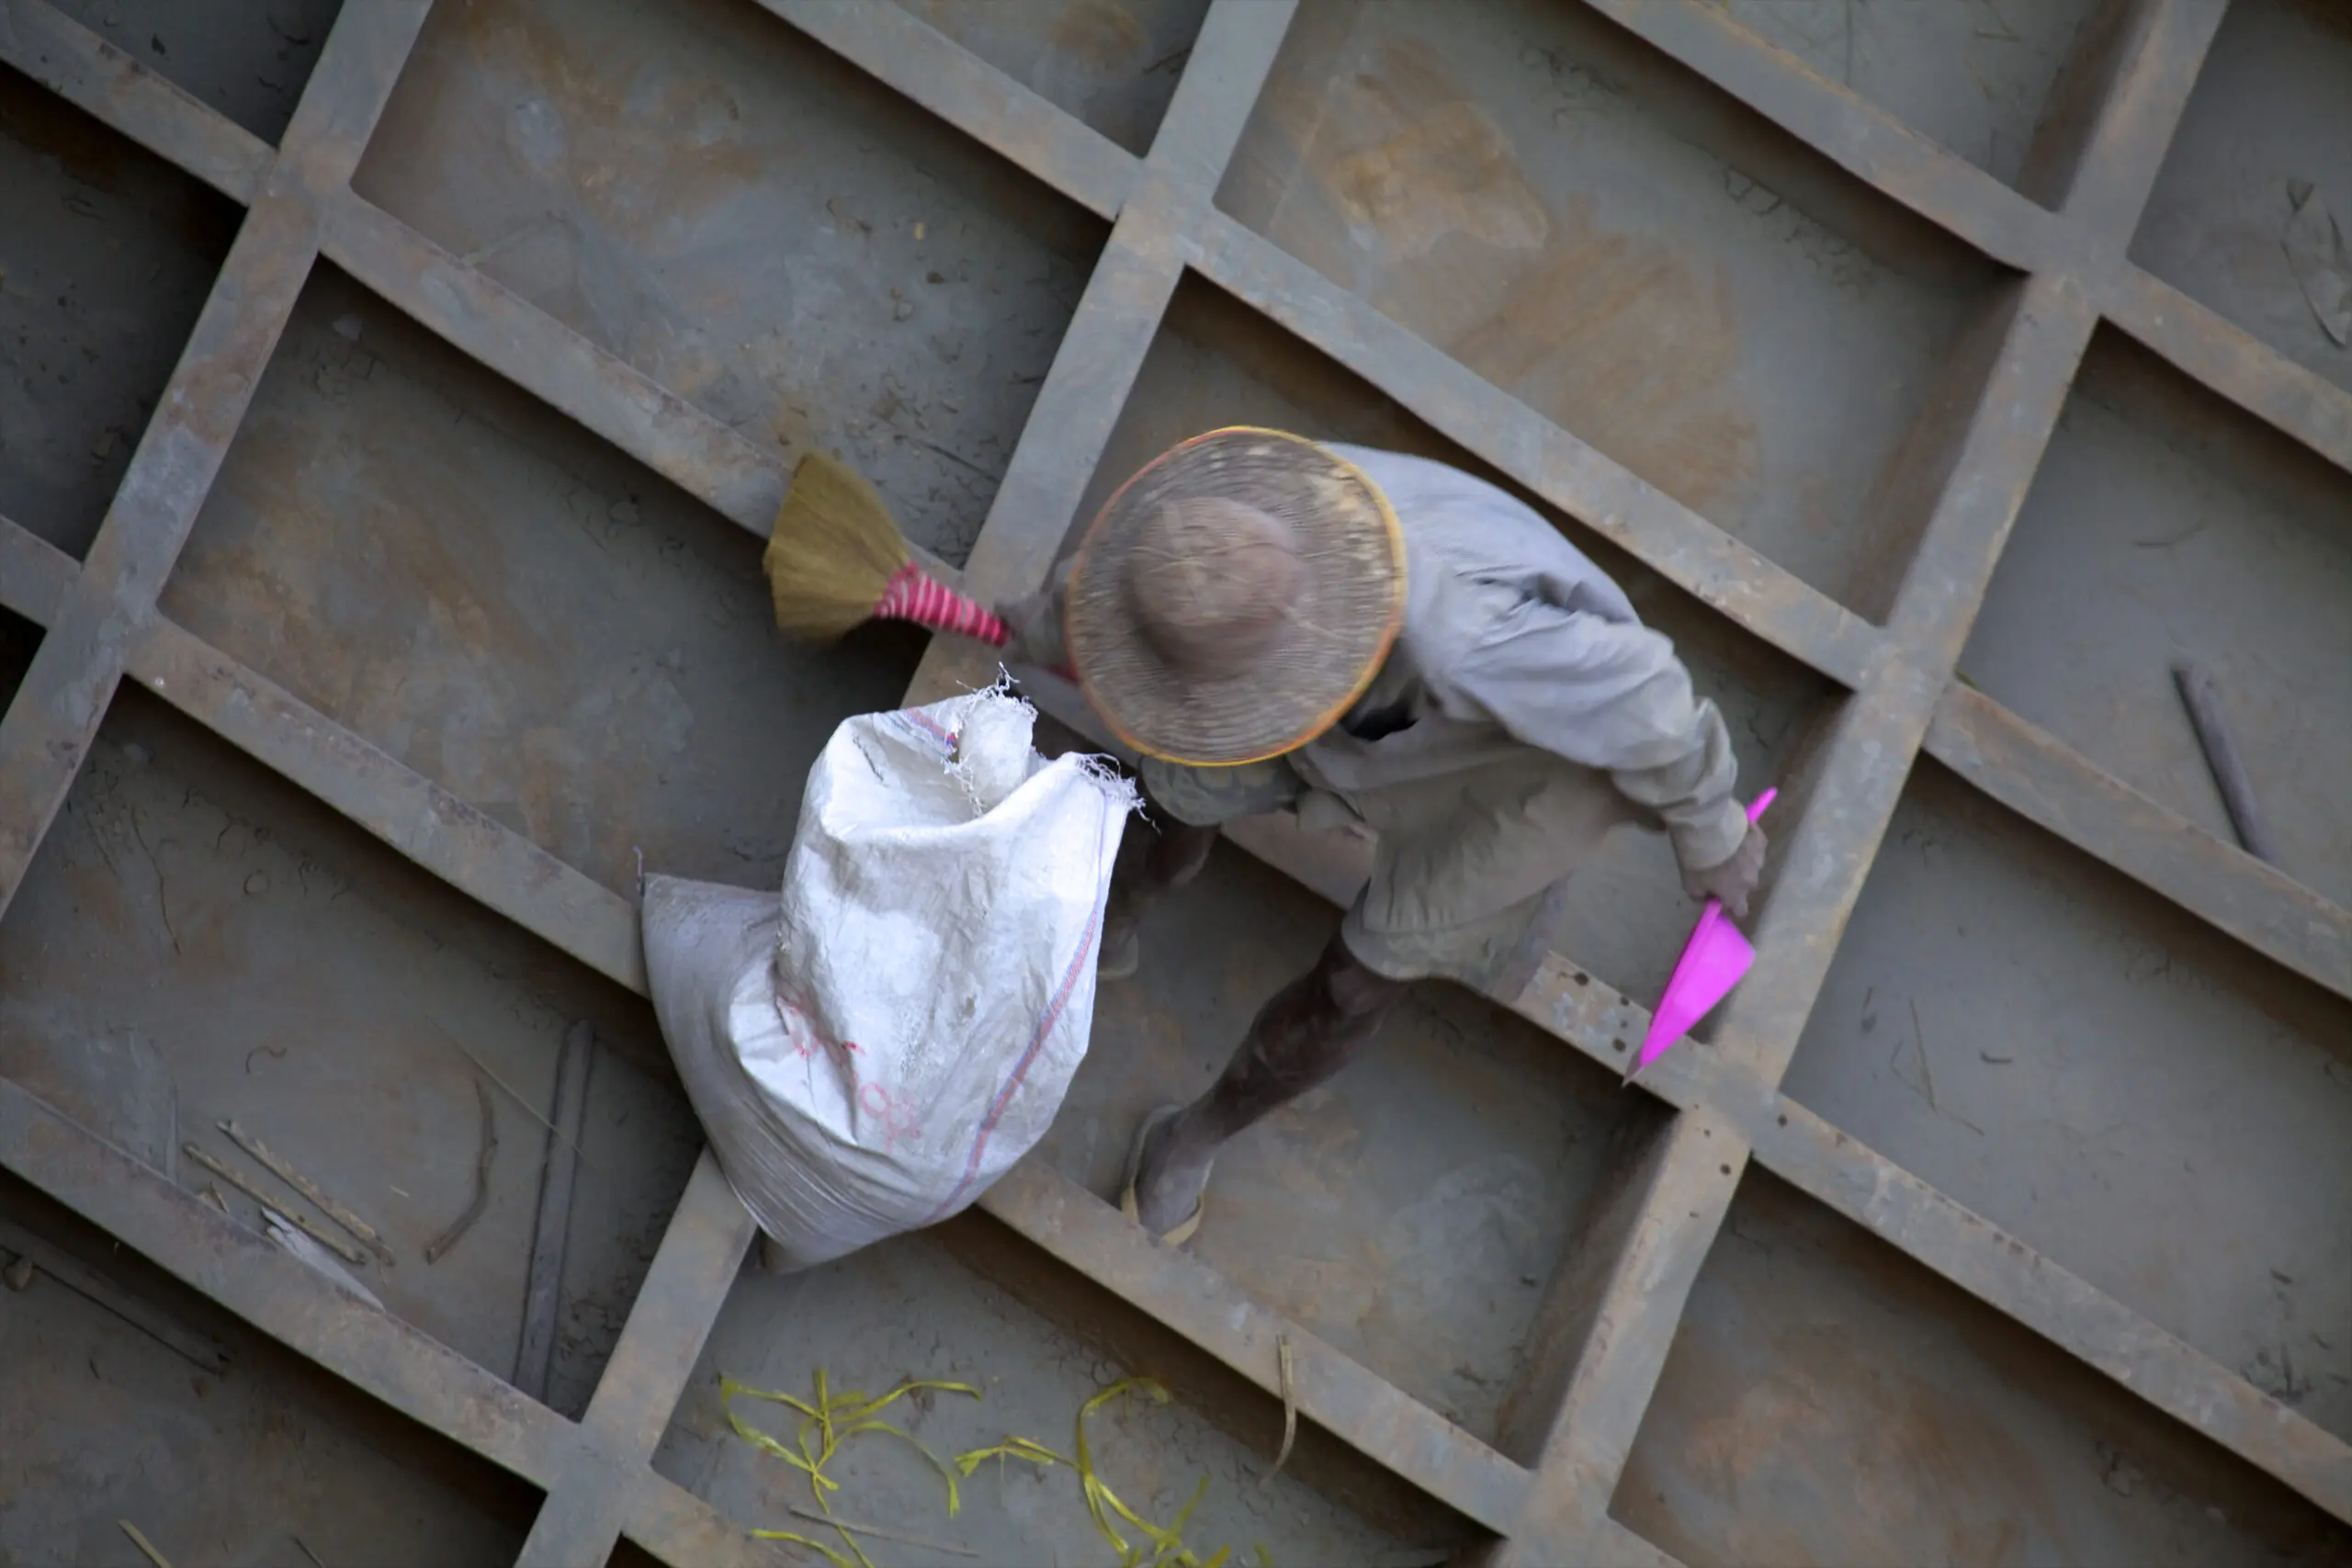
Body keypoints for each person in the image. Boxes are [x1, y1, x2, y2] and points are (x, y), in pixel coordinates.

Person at [997, 428, 1765, 1246]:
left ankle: (1197, 1137)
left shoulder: (1472, 639)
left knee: (1358, 984)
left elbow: (1656, 708)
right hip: (1320, 704)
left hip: (1522, 762)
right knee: (1173, 784)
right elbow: (1093, 605)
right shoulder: (1209, 535)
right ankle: (1110, 926)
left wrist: (1712, 828)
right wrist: (1036, 629)